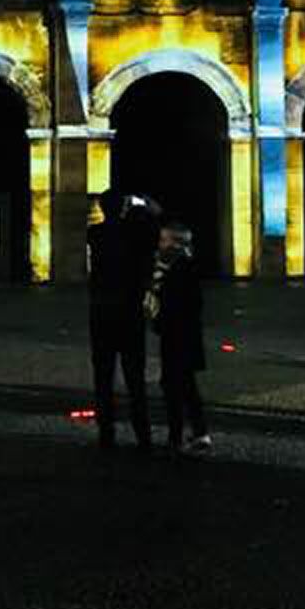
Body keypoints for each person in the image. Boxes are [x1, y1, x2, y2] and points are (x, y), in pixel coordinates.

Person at [87, 189, 159, 452]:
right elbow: (155, 217)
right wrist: (142, 203)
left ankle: (106, 432)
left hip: (101, 313)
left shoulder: (96, 234)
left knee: (103, 377)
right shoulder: (135, 235)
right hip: (129, 314)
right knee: (135, 378)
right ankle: (143, 435)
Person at [146, 221, 210, 455]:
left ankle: (176, 437)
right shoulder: (173, 264)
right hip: (181, 335)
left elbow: (183, 302)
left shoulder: (179, 266)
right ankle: (199, 432)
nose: (160, 244)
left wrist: (161, 318)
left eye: (164, 240)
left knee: (174, 386)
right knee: (186, 385)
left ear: (175, 242)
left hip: (178, 335)